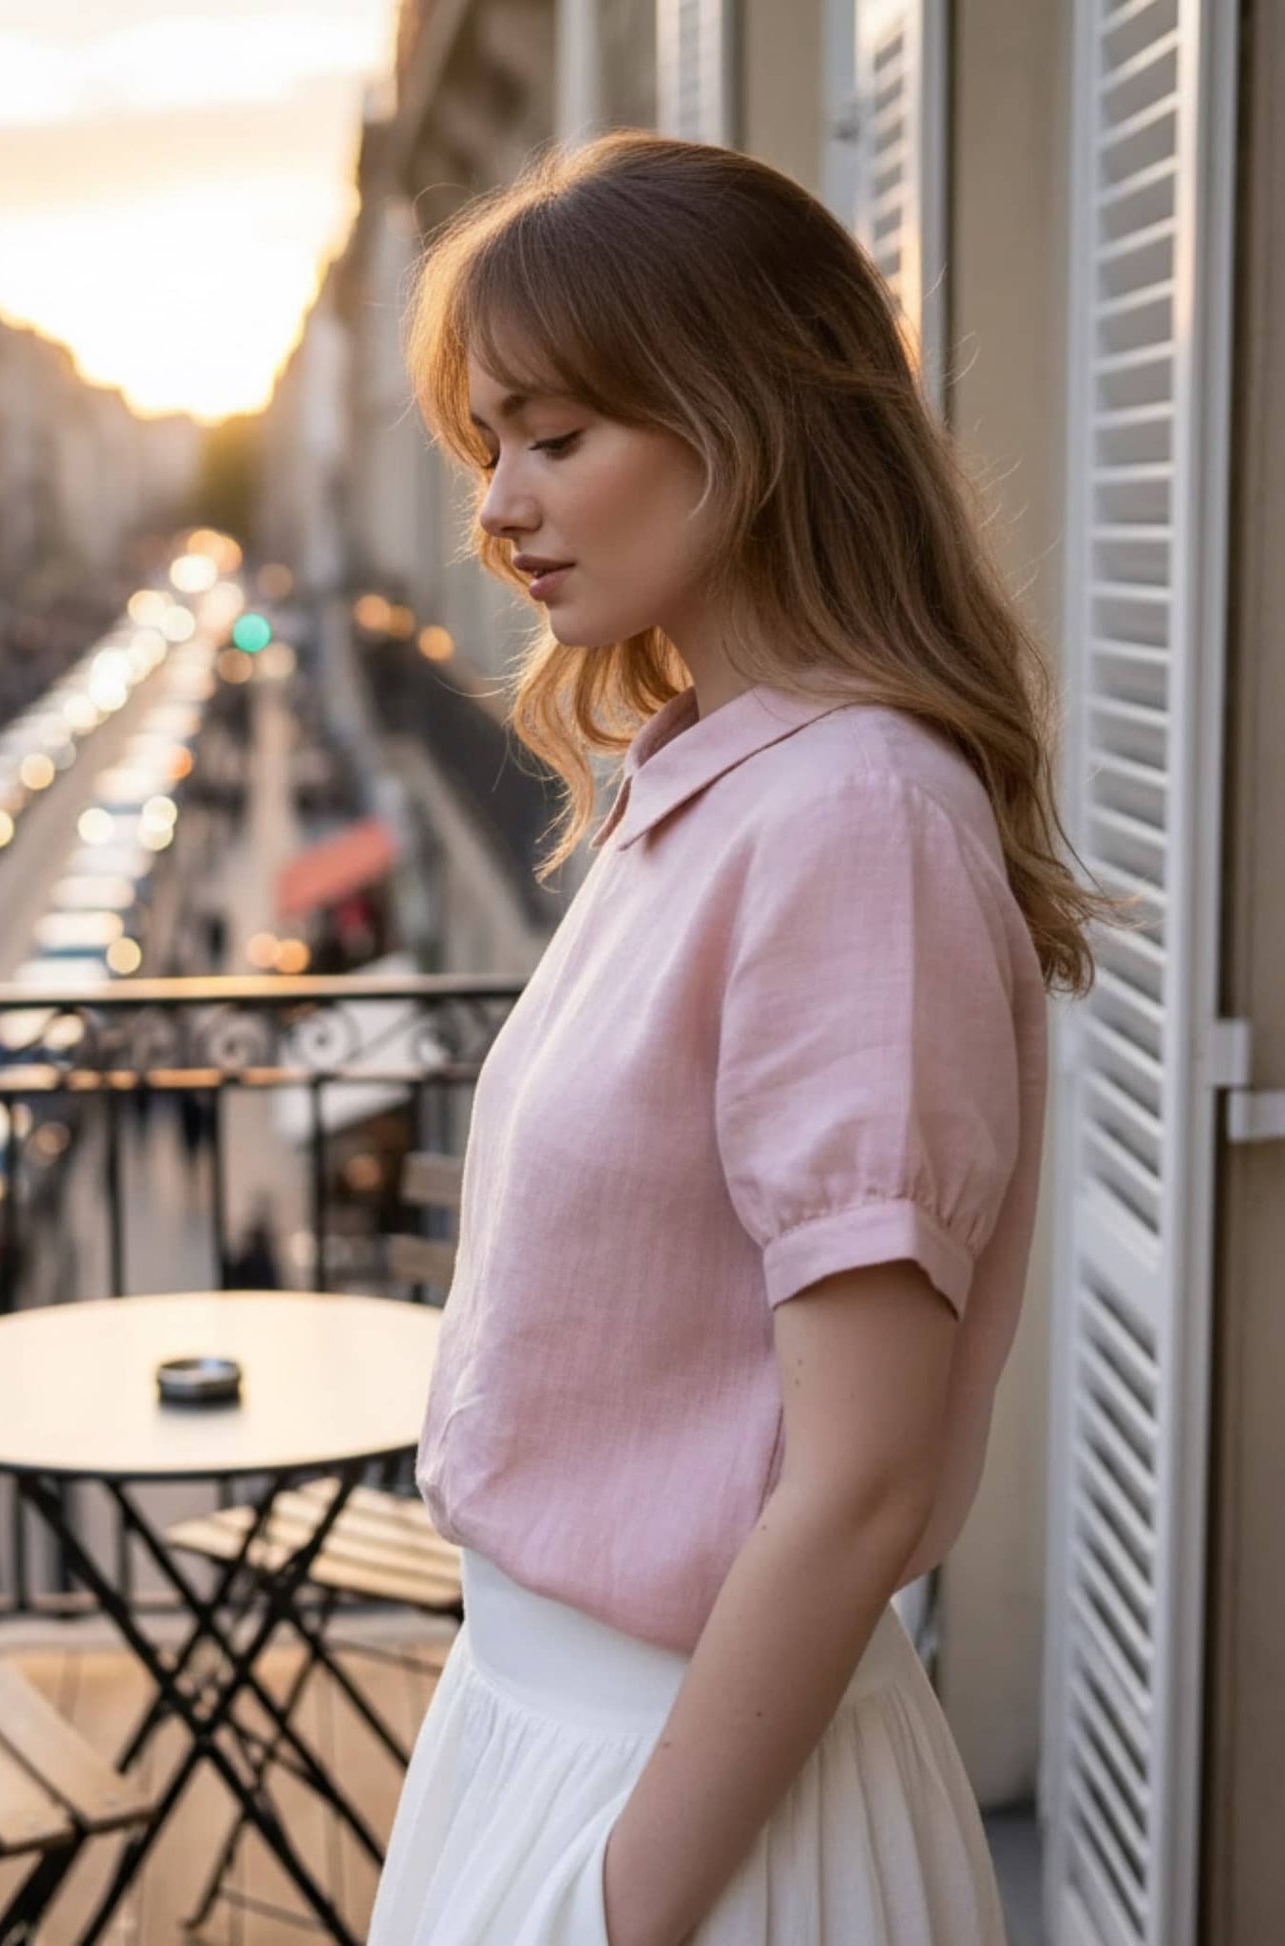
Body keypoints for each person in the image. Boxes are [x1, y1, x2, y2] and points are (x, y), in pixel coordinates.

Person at [369, 133, 1104, 1946]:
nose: (500, 504)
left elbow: (857, 1480)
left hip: (688, 1804)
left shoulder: (849, 815)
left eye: (555, 435)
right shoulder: (712, 783)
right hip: (559, 1738)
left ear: (742, 415)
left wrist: (620, 1905)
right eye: (487, 448)